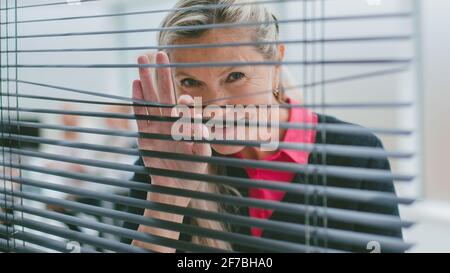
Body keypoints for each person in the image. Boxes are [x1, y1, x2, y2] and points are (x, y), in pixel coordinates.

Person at [124, 0, 403, 253]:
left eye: (235, 75)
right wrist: (168, 195)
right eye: (190, 82)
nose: (215, 105)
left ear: (276, 63)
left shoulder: (355, 153)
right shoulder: (168, 159)